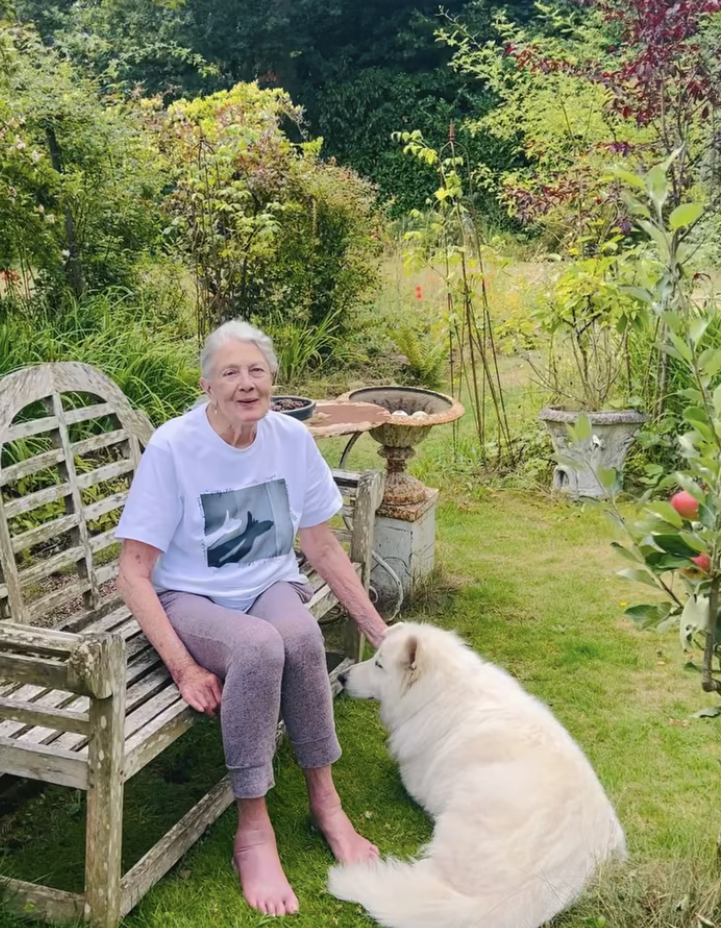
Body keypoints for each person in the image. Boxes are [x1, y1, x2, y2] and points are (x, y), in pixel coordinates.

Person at [115, 319, 388, 917]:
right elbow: (132, 572)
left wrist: (380, 633)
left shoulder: (291, 440)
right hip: (190, 599)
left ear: (273, 380)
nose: (246, 383)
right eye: (230, 372)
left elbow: (320, 545)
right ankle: (254, 829)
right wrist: (185, 668)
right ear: (207, 386)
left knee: (301, 635)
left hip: (268, 584)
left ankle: (326, 802)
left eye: (257, 371)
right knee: (259, 647)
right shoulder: (174, 448)